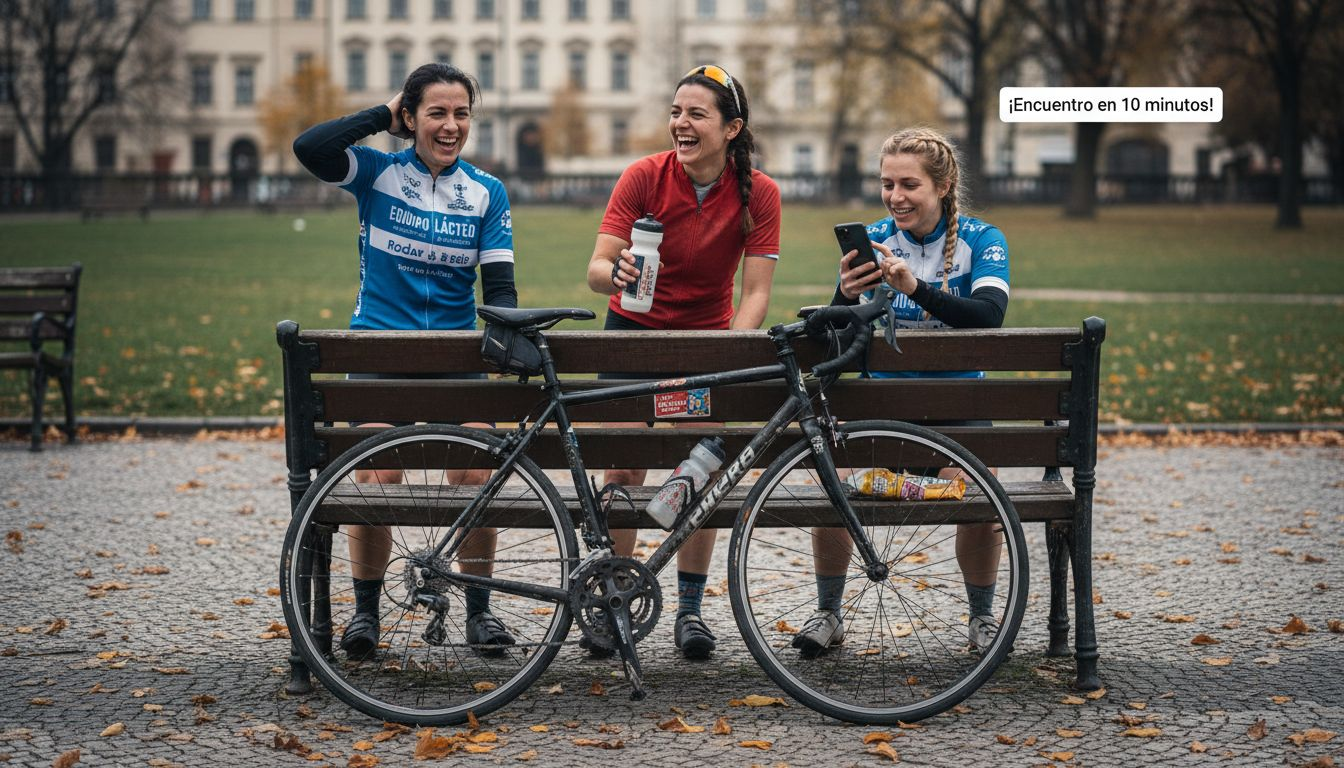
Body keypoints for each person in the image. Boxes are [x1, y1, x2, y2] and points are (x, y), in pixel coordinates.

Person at [292, 63, 517, 659]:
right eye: (436, 113)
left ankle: (479, 609)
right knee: (376, 475)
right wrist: (378, 117)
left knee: (476, 473)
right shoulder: (376, 173)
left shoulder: (486, 192)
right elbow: (309, 147)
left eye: (462, 113)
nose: (451, 126)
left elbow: (500, 293)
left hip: (453, 357)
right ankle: (366, 614)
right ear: (410, 118)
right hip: (379, 353)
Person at [584, 64, 782, 660]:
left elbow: (755, 295)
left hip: (708, 346)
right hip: (632, 339)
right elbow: (596, 271)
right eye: (676, 112)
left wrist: (725, 355)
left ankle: (690, 612)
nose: (680, 124)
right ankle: (615, 599)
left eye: (696, 114)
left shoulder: (759, 192)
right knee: (622, 471)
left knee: (699, 476)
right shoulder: (644, 176)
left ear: (731, 128)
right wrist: (614, 273)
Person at [792, 127, 1010, 657]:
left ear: (944, 184)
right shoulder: (873, 237)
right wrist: (842, 295)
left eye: (909, 184)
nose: (895, 196)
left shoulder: (983, 240)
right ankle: (828, 613)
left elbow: (988, 316)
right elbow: (833, 341)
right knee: (832, 484)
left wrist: (916, 289)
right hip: (881, 414)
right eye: (887, 183)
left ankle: (982, 619)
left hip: (956, 417)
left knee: (981, 496)